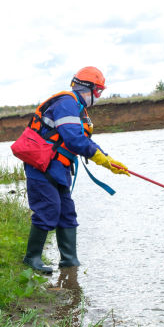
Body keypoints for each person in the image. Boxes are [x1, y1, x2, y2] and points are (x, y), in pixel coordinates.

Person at [22, 66, 128, 274]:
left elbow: (83, 140)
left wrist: (108, 159)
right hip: (42, 167)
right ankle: (32, 258)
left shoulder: (78, 108)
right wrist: (101, 160)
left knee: (66, 213)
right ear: (87, 88)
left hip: (58, 169)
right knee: (48, 209)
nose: (98, 96)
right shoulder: (67, 104)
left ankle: (69, 263)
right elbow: (74, 138)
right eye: (98, 91)